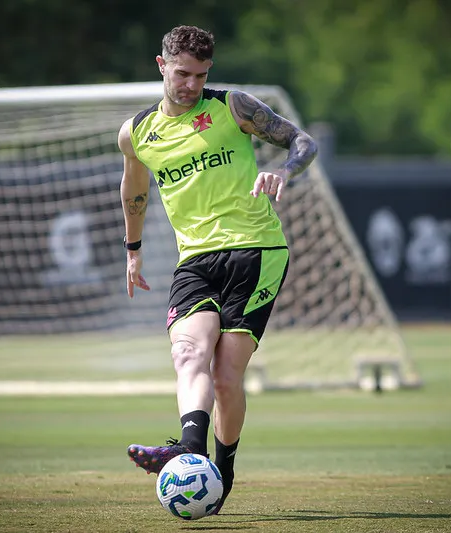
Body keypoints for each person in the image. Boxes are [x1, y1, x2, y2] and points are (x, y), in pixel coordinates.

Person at [118, 24, 318, 514]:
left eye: (200, 75)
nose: (191, 84)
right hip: (195, 260)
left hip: (257, 250)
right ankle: (190, 450)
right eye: (182, 73)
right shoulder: (136, 133)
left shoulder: (232, 107)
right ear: (162, 65)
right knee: (189, 354)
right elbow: (134, 189)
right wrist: (133, 248)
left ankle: (220, 471)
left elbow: (303, 142)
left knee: (227, 377)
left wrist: (283, 171)